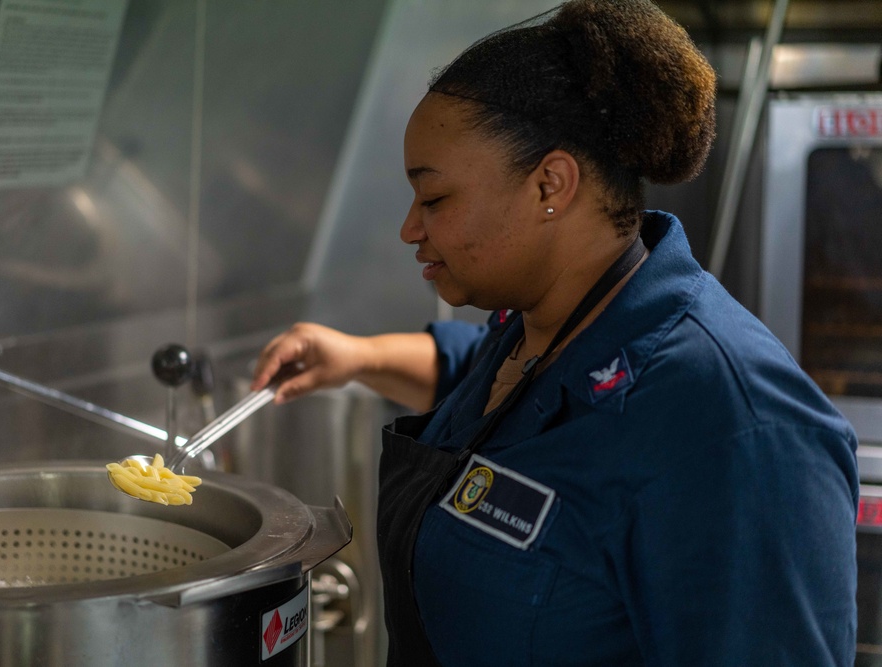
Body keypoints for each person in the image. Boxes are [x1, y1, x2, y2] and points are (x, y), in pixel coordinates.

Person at [251, 0, 859, 664]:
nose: (410, 228)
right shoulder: (539, 326)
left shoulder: (736, 428)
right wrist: (358, 357)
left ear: (551, 183)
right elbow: (483, 383)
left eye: (435, 199)